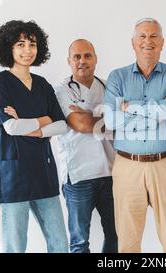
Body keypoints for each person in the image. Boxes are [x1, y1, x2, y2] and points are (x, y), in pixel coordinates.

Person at [0, 20, 68, 253]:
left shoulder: (42, 85)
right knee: (15, 245)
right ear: (8, 48)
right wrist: (44, 120)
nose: (27, 50)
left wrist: (34, 127)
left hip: (43, 172)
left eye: (32, 43)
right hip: (13, 175)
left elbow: (62, 125)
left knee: (60, 243)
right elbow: (11, 127)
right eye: (20, 44)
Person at [104, 18, 166, 253]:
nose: (147, 41)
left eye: (153, 36)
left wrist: (129, 107)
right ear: (133, 42)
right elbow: (110, 121)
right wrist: (160, 110)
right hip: (127, 165)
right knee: (127, 243)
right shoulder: (117, 77)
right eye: (142, 36)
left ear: (162, 42)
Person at [54, 39, 117, 253]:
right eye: (77, 57)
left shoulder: (110, 86)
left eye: (87, 55)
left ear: (95, 58)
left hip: (111, 173)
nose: (82, 61)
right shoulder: (62, 90)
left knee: (116, 235)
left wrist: (91, 117)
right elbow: (79, 124)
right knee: (80, 242)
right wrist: (109, 120)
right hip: (79, 176)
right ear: (69, 61)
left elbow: (126, 122)